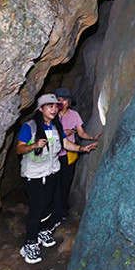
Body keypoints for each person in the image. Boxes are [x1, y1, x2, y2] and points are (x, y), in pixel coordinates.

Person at [16, 93, 97, 264]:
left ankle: (42, 230)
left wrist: (82, 149)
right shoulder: (29, 127)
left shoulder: (56, 127)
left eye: (55, 106)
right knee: (37, 206)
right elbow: (20, 149)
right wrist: (34, 145)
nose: (54, 109)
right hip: (33, 174)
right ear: (41, 109)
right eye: (50, 106)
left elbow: (65, 144)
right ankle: (30, 243)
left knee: (48, 205)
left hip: (51, 172)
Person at [54, 87, 102, 224]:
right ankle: (55, 210)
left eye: (64, 100)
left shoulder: (74, 115)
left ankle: (62, 210)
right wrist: (63, 132)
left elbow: (80, 133)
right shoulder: (51, 114)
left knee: (64, 183)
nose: (62, 103)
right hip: (53, 155)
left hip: (69, 154)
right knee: (54, 184)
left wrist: (91, 137)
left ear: (69, 102)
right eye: (59, 100)